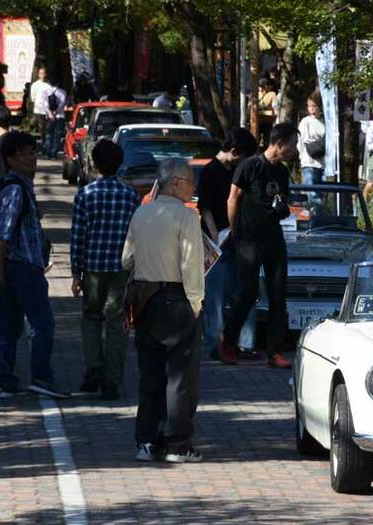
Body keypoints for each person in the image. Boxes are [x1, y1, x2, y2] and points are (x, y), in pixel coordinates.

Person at [122, 158, 205, 463]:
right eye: (189, 182)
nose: (193, 188)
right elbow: (192, 265)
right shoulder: (186, 218)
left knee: (150, 373)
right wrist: (196, 302)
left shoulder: (142, 212)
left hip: (144, 300)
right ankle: (178, 444)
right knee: (180, 376)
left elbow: (125, 259)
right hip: (177, 298)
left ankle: (146, 440)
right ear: (175, 183)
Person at [0, 131, 67, 400]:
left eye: (32, 152)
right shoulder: (14, 190)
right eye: (23, 154)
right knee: (42, 324)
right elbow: (2, 233)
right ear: (10, 159)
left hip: (19, 266)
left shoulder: (21, 186)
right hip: (21, 267)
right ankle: (41, 377)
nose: (31, 158)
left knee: (9, 326)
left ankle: (6, 381)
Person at [219, 122, 298, 369]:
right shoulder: (249, 166)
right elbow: (232, 199)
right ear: (280, 144)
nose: (295, 150)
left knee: (277, 293)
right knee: (248, 293)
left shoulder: (282, 172)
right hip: (248, 238)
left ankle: (275, 351)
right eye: (293, 144)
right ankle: (228, 343)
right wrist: (234, 230)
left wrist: (283, 208)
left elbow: (281, 200)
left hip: (273, 236)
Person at [70, 140, 139, 400]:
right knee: (116, 322)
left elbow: (79, 236)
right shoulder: (130, 195)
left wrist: (76, 272)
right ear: (119, 163)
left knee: (90, 318)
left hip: (93, 269)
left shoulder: (85, 194)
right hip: (121, 269)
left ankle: (94, 367)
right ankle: (112, 379)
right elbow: (137, 236)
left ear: (94, 163)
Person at [196, 128, 259, 363]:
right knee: (215, 296)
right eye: (243, 156)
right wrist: (215, 238)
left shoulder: (238, 170)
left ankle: (245, 343)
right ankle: (215, 344)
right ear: (234, 152)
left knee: (243, 291)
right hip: (217, 241)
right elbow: (206, 207)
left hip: (237, 238)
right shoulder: (210, 171)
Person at [297, 90, 325, 185]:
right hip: (309, 162)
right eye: (309, 106)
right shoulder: (305, 122)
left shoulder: (325, 122)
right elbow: (300, 141)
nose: (312, 109)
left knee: (323, 193)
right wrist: (302, 157)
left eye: (314, 106)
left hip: (323, 162)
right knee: (312, 192)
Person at [42, 77, 68, 159]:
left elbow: (45, 105)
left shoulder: (46, 92)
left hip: (49, 117)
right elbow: (62, 103)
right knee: (57, 135)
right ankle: (54, 153)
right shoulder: (62, 92)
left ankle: (47, 152)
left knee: (49, 134)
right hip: (60, 116)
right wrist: (56, 112)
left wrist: (50, 114)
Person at [29, 67, 50, 153]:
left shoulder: (48, 85)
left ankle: (46, 145)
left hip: (48, 111)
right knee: (40, 128)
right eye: (41, 73)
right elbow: (33, 97)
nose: (42, 75)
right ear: (38, 75)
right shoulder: (35, 85)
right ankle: (41, 145)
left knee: (46, 129)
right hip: (38, 109)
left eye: (44, 73)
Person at [256, 79, 277, 147]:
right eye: (260, 86)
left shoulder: (272, 94)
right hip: (257, 120)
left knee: (267, 137)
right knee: (257, 137)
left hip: (267, 119)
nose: (261, 88)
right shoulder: (256, 93)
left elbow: (275, 106)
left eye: (263, 86)